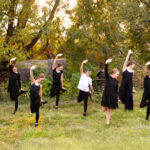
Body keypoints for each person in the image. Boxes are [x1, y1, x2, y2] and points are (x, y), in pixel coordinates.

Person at [101, 59, 120, 125]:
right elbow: (106, 71)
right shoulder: (108, 78)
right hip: (106, 95)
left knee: (109, 110)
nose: (118, 76)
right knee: (103, 109)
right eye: (117, 74)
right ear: (113, 73)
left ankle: (107, 122)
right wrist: (106, 63)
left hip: (112, 96)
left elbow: (116, 90)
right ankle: (105, 108)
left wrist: (117, 98)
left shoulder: (116, 81)